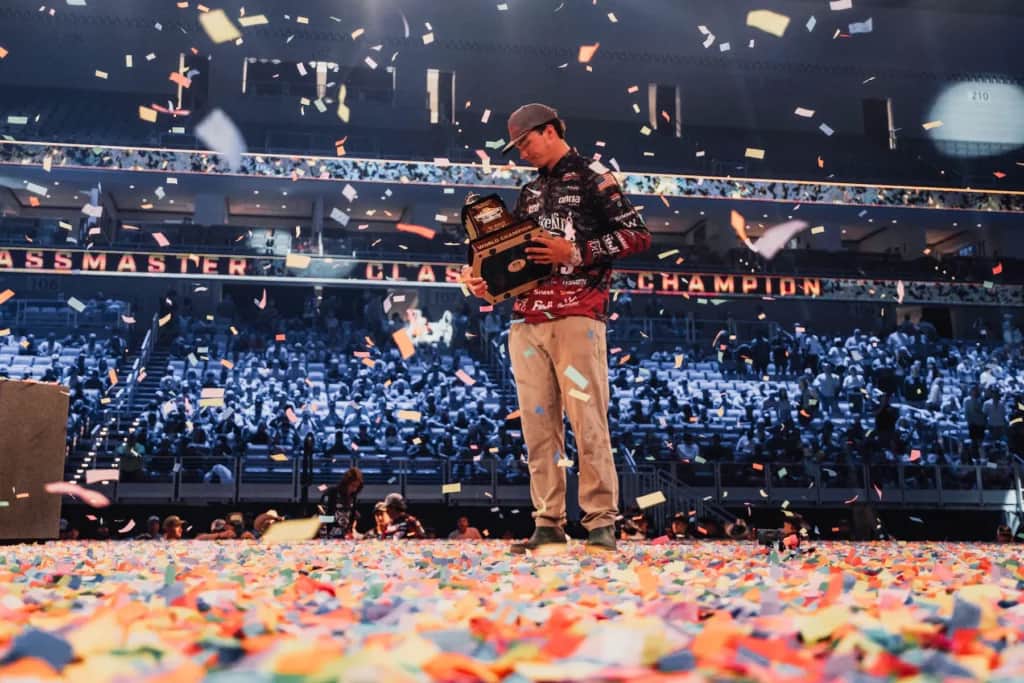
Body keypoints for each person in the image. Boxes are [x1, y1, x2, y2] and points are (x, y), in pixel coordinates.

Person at [462, 102, 651, 555]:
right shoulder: (527, 194)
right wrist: (485, 283)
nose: (521, 151)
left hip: (577, 316)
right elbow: (519, 263)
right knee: (537, 428)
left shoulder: (595, 176)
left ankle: (601, 522)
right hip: (526, 320)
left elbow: (638, 235)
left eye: (525, 141)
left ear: (549, 131)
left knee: (587, 421)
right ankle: (547, 522)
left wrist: (575, 252)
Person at [320, 467, 363, 539]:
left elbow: (351, 519)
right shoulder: (331, 493)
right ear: (346, 483)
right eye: (352, 485)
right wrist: (324, 537)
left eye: (356, 487)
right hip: (329, 536)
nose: (354, 489)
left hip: (345, 537)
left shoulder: (353, 497)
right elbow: (322, 517)